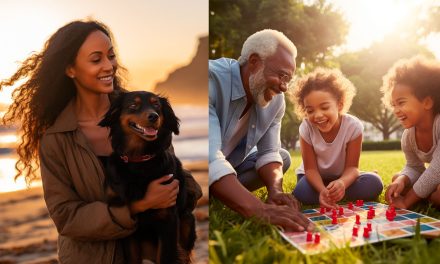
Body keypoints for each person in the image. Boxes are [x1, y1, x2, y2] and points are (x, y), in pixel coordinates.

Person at [0, 20, 201, 263]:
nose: (109, 66)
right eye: (96, 60)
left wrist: (184, 189)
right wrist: (139, 205)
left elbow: (171, 172)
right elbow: (67, 218)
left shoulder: (140, 117)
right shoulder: (56, 138)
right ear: (70, 69)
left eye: (111, 56)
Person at [209, 29, 312, 232]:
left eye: (288, 79)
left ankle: (222, 192)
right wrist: (257, 209)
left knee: (282, 157)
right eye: (281, 75)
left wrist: (275, 190)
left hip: (229, 165)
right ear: (254, 61)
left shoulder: (276, 101)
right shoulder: (209, 80)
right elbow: (208, 157)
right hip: (190, 169)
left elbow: (269, 152)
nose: (283, 87)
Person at [291, 68, 383, 208]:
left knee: (375, 183)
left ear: (339, 105)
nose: (318, 115)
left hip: (342, 177)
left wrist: (342, 183)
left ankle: (336, 191)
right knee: (302, 192)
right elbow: (310, 170)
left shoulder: (353, 127)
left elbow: (352, 167)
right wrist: (322, 190)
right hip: (313, 179)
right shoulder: (306, 128)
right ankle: (330, 193)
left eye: (324, 107)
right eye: (310, 110)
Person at [382, 56, 440, 209]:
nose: (395, 110)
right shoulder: (408, 136)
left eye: (401, 103)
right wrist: (402, 180)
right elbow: (414, 167)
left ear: (427, 102)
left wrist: (406, 201)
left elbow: (436, 170)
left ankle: (424, 195)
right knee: (397, 179)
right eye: (393, 105)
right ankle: (427, 194)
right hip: (435, 179)